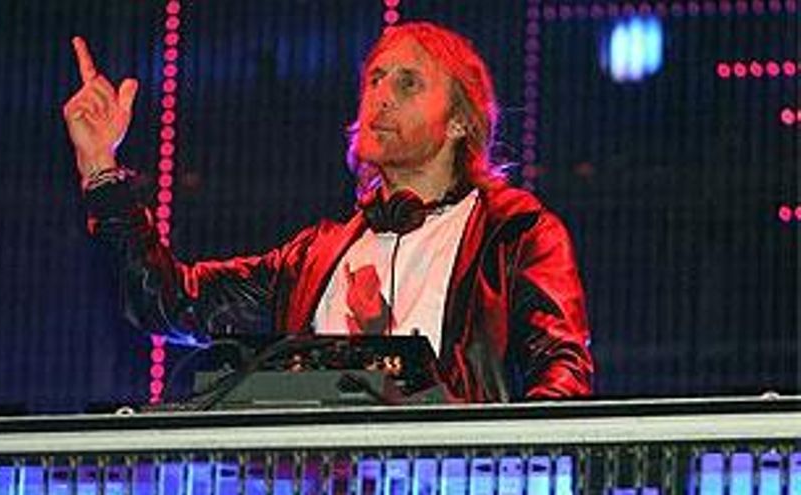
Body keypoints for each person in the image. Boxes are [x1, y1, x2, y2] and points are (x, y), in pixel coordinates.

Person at [63, 22, 593, 402]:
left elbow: (562, 370)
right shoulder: (315, 258)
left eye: (408, 83)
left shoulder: (514, 232)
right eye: (375, 79)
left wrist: (517, 462)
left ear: (460, 122)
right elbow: (168, 302)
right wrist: (100, 168)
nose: (381, 96)